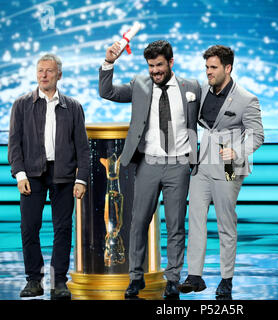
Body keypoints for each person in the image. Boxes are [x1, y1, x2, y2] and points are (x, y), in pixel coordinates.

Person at [99, 40, 201, 298]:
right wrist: (109, 62)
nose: (154, 71)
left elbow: (204, 119)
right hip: (148, 163)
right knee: (138, 223)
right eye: (150, 66)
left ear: (171, 62)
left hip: (179, 164)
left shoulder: (191, 87)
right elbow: (107, 92)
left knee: (176, 225)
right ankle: (136, 277)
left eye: (159, 65)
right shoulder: (140, 85)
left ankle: (173, 279)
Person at [179, 45, 264, 297]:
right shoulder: (202, 90)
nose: (208, 72)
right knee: (195, 219)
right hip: (202, 162)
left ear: (228, 68)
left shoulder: (247, 99)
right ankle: (194, 276)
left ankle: (226, 279)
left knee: (226, 223)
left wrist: (237, 151)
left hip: (229, 165)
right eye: (206, 67)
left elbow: (257, 134)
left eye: (213, 67)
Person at [8, 53, 90, 300]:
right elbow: (14, 144)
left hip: (63, 174)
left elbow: (83, 148)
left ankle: (58, 282)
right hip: (31, 173)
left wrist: (81, 178)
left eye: (49, 71)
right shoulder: (21, 105)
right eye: (40, 71)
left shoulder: (73, 107)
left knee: (62, 229)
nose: (43, 75)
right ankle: (34, 280)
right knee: (29, 228)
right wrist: (20, 174)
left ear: (59, 75)